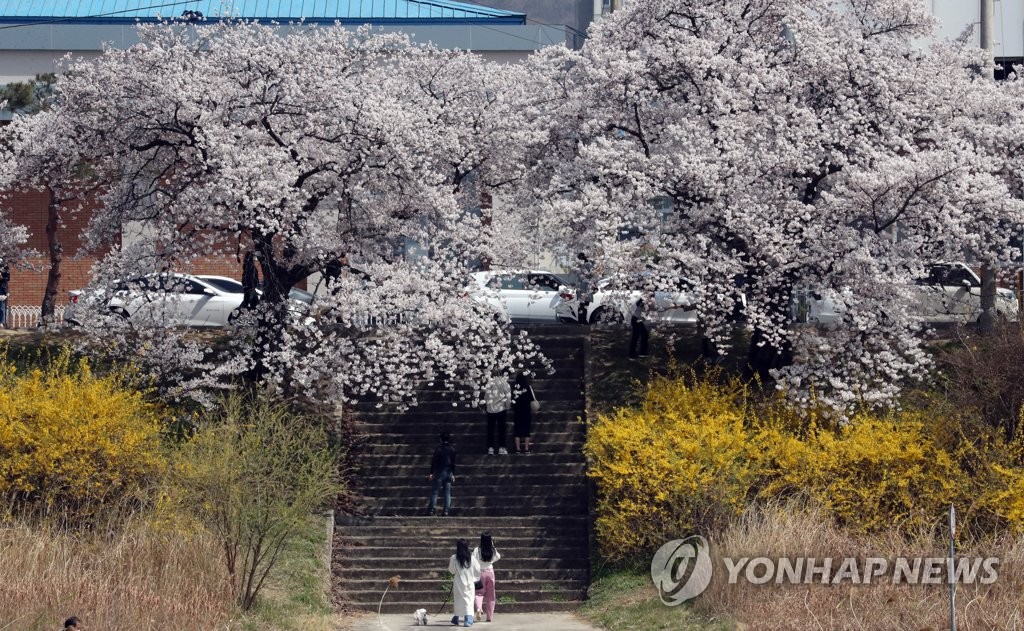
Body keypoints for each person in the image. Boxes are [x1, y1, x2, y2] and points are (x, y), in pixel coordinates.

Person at [448, 539, 481, 627]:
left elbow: (451, 570)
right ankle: (468, 619)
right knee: (468, 600)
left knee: (458, 600)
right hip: (469, 582)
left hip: (458, 582)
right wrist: (474, 579)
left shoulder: (454, 558)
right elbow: (478, 570)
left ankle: (456, 617)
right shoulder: (472, 558)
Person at [426, 431, 456, 516]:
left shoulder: (439, 449)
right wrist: (453, 474)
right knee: (447, 492)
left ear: (440, 439)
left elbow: (434, 461)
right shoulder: (452, 449)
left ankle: (431, 510)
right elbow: (453, 463)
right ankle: (446, 511)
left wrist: (431, 472)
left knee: (435, 492)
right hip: (449, 471)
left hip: (440, 471)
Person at [473, 532, 501, 623]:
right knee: (491, 596)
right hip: (490, 572)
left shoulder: (477, 550)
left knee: (479, 593)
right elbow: (498, 557)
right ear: (490, 540)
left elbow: (472, 559)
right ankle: (489, 616)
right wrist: (492, 546)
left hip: (480, 573)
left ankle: (479, 608)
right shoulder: (492, 550)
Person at [484, 375, 511, 455]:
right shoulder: (504, 383)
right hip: (501, 408)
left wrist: (487, 405)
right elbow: (508, 396)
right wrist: (508, 406)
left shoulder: (489, 382)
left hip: (490, 408)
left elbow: (486, 396)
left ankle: (490, 448)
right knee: (501, 429)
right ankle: (502, 447)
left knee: (490, 429)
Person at [512, 373, 537, 454]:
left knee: (517, 430)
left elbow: (512, 400)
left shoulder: (514, 387)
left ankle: (518, 449)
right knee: (526, 430)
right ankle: (526, 448)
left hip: (517, 411)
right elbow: (533, 399)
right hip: (526, 411)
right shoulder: (528, 387)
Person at [575, 253, 594, 325]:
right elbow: (592, 274)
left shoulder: (578, 266)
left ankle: (581, 320)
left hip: (580, 287)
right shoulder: (588, 265)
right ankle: (583, 320)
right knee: (585, 305)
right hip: (586, 287)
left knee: (581, 305)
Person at [0, 259, 8, 329]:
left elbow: (7, 278)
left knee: (2, 307)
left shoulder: (5, 269)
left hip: (1, 290)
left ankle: (1, 322)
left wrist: (1, 277)